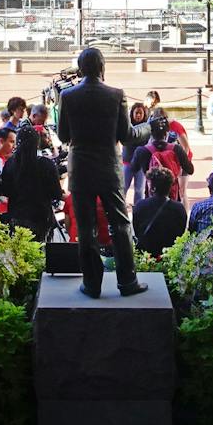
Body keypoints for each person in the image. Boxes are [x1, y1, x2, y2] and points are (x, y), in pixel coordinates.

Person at [57, 47, 150, 298]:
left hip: (81, 171)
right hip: (108, 168)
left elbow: (63, 135)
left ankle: (91, 284)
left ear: (81, 68)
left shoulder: (67, 96)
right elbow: (127, 135)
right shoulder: (116, 95)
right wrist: (147, 128)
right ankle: (127, 281)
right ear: (102, 67)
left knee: (86, 229)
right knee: (119, 224)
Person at [1, 121, 63, 241]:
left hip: (16, 217)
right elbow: (56, 193)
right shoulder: (45, 164)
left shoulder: (10, 164)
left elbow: (6, 190)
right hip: (40, 218)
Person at [130, 116, 194, 201]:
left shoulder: (141, 151)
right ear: (167, 133)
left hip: (151, 196)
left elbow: (133, 168)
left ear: (150, 133)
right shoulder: (177, 149)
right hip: (172, 197)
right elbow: (190, 169)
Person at [132, 166, 187, 256]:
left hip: (147, 256)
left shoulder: (140, 206)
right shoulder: (179, 208)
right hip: (170, 254)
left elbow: (137, 231)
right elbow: (181, 232)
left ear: (153, 188)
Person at [122, 101, 150, 205]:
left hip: (141, 165)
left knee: (139, 190)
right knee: (123, 188)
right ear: (132, 113)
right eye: (136, 113)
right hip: (127, 163)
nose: (138, 115)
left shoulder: (146, 128)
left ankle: (137, 210)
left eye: (140, 113)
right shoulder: (127, 126)